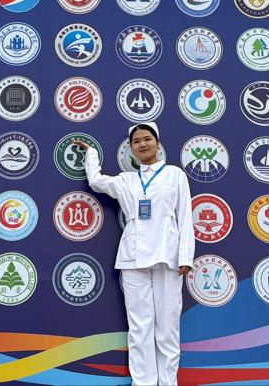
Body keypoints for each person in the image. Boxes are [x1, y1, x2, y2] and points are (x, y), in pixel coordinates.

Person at [73, 122, 194, 386]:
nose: (142, 144)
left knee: (168, 327)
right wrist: (91, 154)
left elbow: (185, 216)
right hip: (132, 257)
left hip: (168, 256)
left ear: (157, 143)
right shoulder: (126, 180)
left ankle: (168, 382)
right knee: (140, 327)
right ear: (131, 148)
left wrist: (185, 256)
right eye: (136, 141)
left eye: (147, 139)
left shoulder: (174, 175)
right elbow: (96, 181)